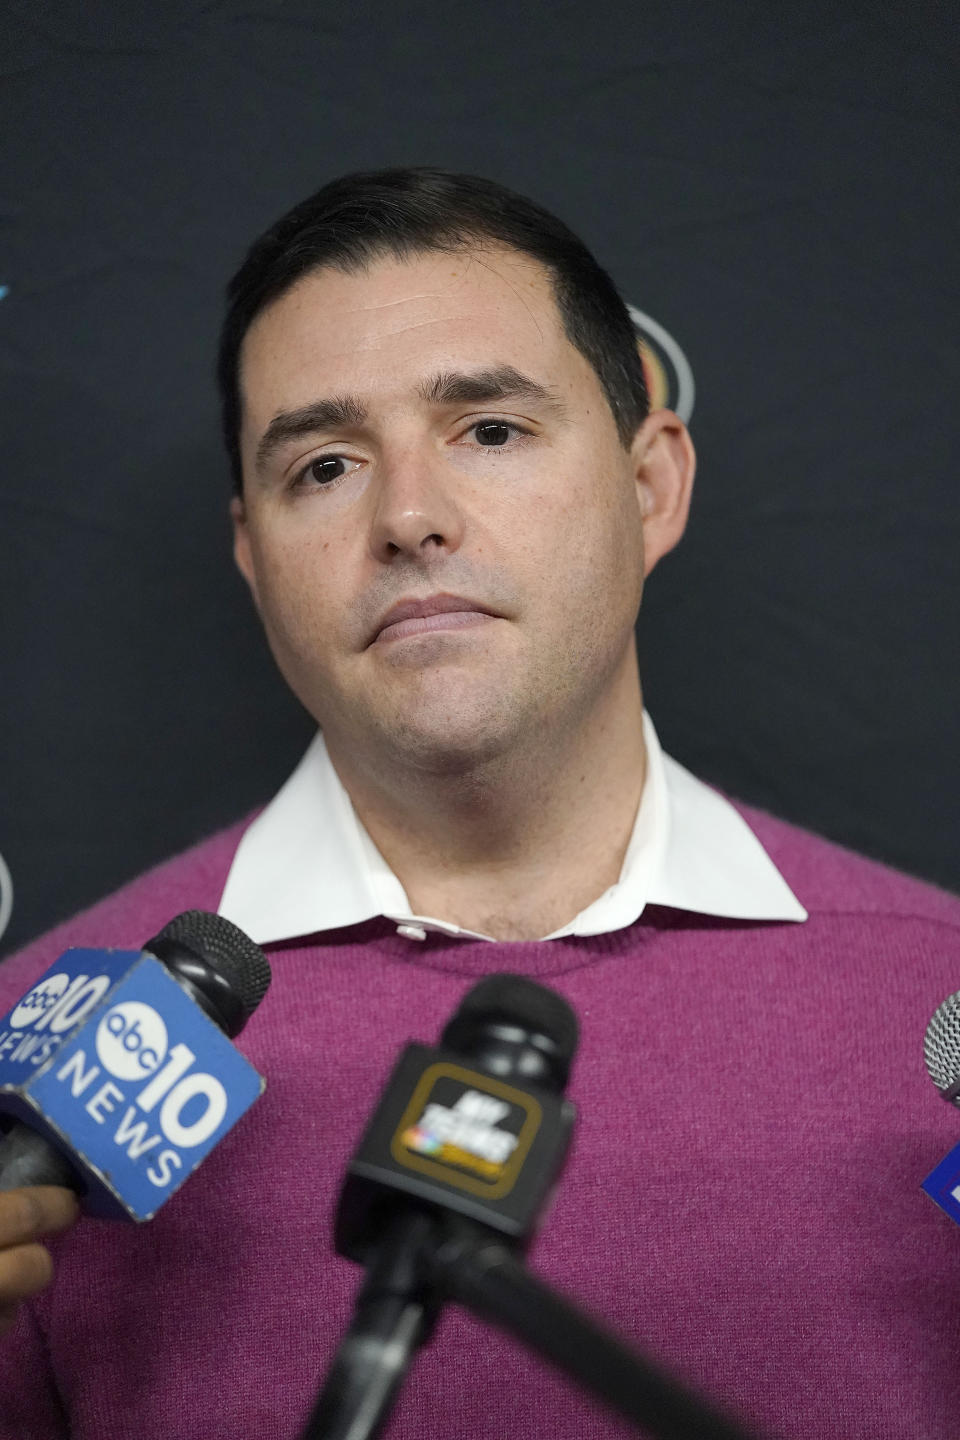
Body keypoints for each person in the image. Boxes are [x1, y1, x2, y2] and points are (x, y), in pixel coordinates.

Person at [1, 167, 959, 1439]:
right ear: (252, 552)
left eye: (491, 431)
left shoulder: (938, 1003)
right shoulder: (34, 1064)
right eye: (327, 466)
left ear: (649, 487)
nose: (407, 517)